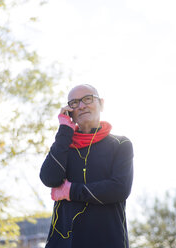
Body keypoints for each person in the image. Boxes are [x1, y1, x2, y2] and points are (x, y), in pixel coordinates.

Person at [39, 84, 134, 248]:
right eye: (74, 103)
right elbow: (49, 178)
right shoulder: (64, 145)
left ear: (101, 104)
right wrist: (64, 130)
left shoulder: (120, 144)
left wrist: (70, 191)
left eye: (88, 99)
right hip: (64, 243)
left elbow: (120, 188)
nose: (81, 106)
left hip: (108, 240)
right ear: (70, 112)